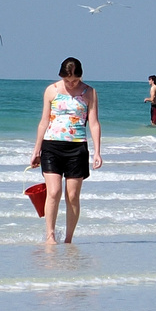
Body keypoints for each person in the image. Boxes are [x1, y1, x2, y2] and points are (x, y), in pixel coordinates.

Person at [29, 57, 100, 244]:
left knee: (73, 195)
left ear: (81, 76)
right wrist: (36, 149)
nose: (71, 83)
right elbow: (44, 121)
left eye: (75, 80)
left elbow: (93, 123)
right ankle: (50, 236)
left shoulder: (89, 92)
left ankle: (68, 239)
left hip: (77, 147)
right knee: (53, 192)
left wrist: (97, 151)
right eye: (68, 80)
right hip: (51, 146)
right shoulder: (51, 91)